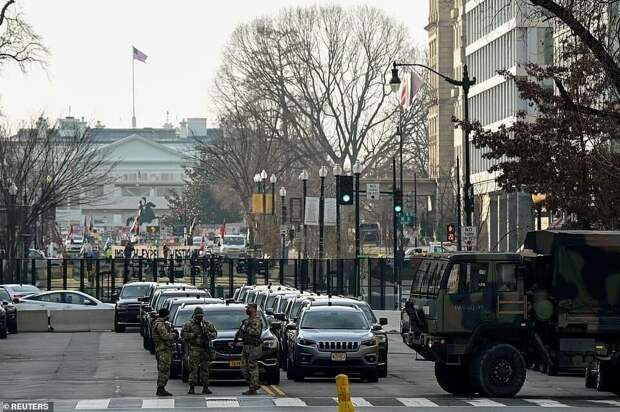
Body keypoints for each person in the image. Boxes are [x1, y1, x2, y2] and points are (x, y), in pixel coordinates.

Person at [181, 306, 218, 394]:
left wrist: (208, 334)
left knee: (205, 369)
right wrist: (192, 335)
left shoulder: (207, 324)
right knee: (193, 369)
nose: (200, 317)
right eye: (198, 315)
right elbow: (183, 334)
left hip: (205, 349)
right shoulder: (189, 324)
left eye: (201, 315)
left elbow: (215, 333)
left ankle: (205, 386)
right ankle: (192, 387)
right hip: (195, 348)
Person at [235, 303, 263, 395]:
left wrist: (246, 330)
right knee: (243, 367)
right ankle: (254, 384)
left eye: (249, 308)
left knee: (252, 367)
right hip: (246, 346)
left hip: (253, 347)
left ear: (254, 309)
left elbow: (256, 332)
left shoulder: (256, 321)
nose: (247, 310)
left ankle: (253, 388)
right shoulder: (247, 321)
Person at [152, 308, 178, 396]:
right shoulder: (160, 325)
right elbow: (165, 336)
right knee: (164, 370)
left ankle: (161, 388)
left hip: (163, 350)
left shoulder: (161, 324)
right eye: (168, 315)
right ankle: (161, 388)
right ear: (165, 315)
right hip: (163, 351)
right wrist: (174, 335)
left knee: (164, 370)